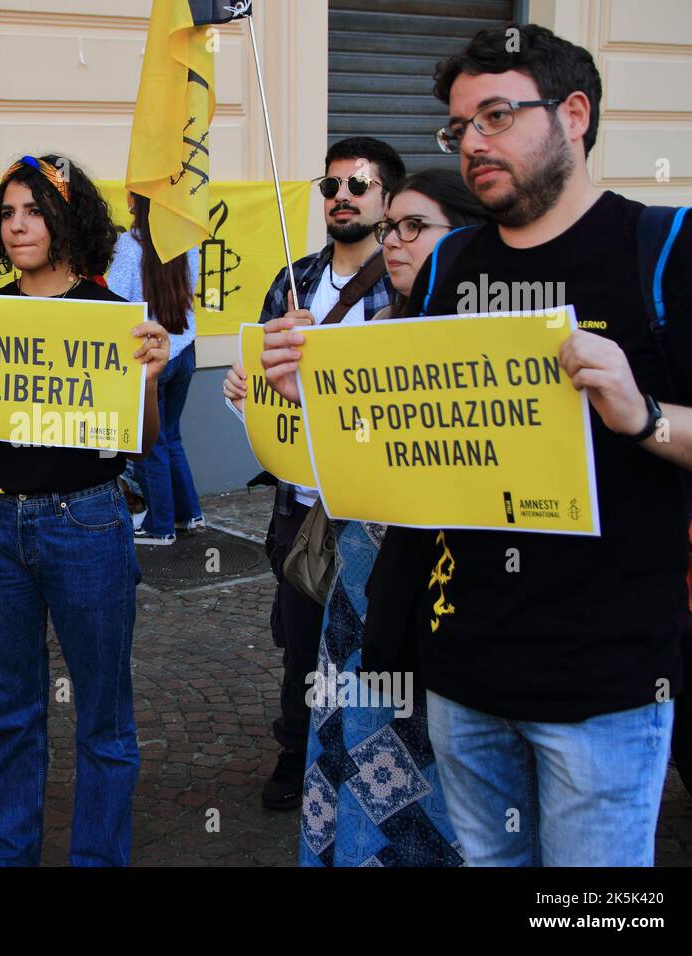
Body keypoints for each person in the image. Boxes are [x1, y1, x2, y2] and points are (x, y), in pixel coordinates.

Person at [262, 24, 692, 866]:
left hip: (605, 683)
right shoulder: (449, 265)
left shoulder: (668, 250)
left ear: (574, 114)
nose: (472, 143)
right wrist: (320, 396)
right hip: (463, 669)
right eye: (459, 127)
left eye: (496, 117)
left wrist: (643, 414)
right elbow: (411, 449)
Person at [0, 154, 168, 865]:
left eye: (34, 210)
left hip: (86, 519)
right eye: (8, 212)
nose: (19, 224)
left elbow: (140, 441)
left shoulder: (111, 317)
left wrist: (150, 378)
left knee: (104, 717)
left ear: (67, 219)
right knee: (9, 717)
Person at [295, 168, 488, 866]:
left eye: (414, 227)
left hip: (449, 586)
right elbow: (337, 466)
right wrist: (290, 397)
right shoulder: (372, 330)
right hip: (363, 576)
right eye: (389, 229)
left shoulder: (500, 338)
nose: (394, 243)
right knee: (358, 737)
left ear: (467, 236)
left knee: (436, 761)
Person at [231, 137, 404, 811]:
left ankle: (372, 763)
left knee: (375, 643)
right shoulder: (294, 279)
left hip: (375, 503)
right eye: (331, 187)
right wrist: (245, 386)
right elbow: (265, 371)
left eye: (358, 187)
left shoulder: (404, 285)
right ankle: (297, 750)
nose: (342, 198)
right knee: (300, 640)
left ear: (385, 201)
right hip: (299, 504)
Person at [107, 193, 204, 545]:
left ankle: (161, 527)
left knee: (152, 445)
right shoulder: (186, 241)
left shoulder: (129, 245)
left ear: (138, 202)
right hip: (185, 351)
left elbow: (116, 302)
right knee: (172, 437)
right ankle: (189, 514)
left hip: (151, 358)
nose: (127, 200)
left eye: (131, 193)